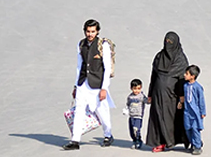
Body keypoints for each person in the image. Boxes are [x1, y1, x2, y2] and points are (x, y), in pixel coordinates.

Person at [63, 19, 115, 150]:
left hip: (97, 84)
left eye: (93, 31)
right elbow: (79, 66)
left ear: (97, 31)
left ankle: (108, 135)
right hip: (83, 83)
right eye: (88, 31)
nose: (90, 34)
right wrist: (76, 85)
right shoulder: (81, 45)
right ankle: (75, 140)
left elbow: (107, 68)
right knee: (79, 110)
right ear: (84, 31)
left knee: (102, 110)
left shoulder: (103, 45)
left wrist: (104, 88)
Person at [146, 32, 189, 153]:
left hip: (172, 96)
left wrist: (182, 96)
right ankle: (159, 143)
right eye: (166, 41)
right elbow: (153, 75)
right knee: (157, 118)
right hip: (157, 94)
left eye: (170, 42)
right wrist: (150, 93)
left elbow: (182, 79)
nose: (168, 44)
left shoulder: (180, 59)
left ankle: (171, 141)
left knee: (171, 119)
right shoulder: (159, 56)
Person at [183, 65, 206, 156]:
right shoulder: (185, 86)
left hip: (195, 112)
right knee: (188, 129)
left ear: (193, 76)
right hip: (187, 111)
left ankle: (197, 146)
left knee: (195, 129)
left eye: (187, 74)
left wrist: (202, 112)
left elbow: (201, 100)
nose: (184, 75)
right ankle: (195, 142)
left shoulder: (198, 87)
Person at [125, 78, 149, 150]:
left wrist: (150, 99)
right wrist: (126, 110)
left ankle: (139, 140)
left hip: (138, 116)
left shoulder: (141, 96)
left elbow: (147, 101)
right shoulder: (130, 97)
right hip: (131, 116)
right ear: (131, 88)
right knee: (132, 130)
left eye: (139, 89)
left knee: (136, 129)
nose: (137, 91)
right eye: (135, 89)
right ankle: (134, 140)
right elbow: (128, 104)